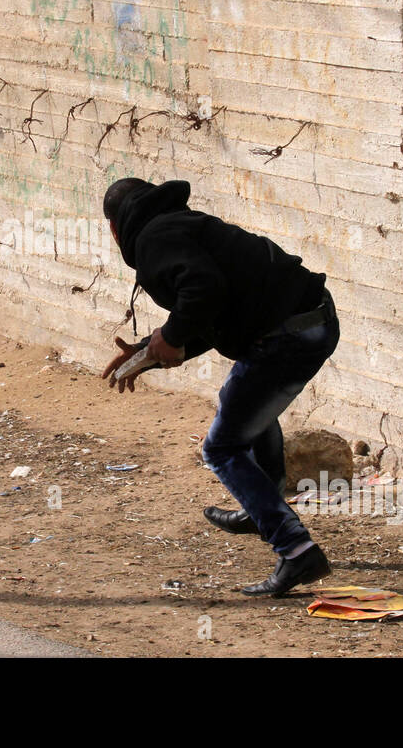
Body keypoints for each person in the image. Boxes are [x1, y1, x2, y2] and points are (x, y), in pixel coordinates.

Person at [99, 178, 339, 596]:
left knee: (221, 447)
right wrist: (147, 352)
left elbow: (204, 291)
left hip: (288, 335)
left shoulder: (155, 240)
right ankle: (261, 507)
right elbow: (214, 313)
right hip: (312, 321)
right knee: (246, 404)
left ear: (116, 228)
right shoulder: (178, 226)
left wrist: (170, 337)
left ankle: (295, 549)